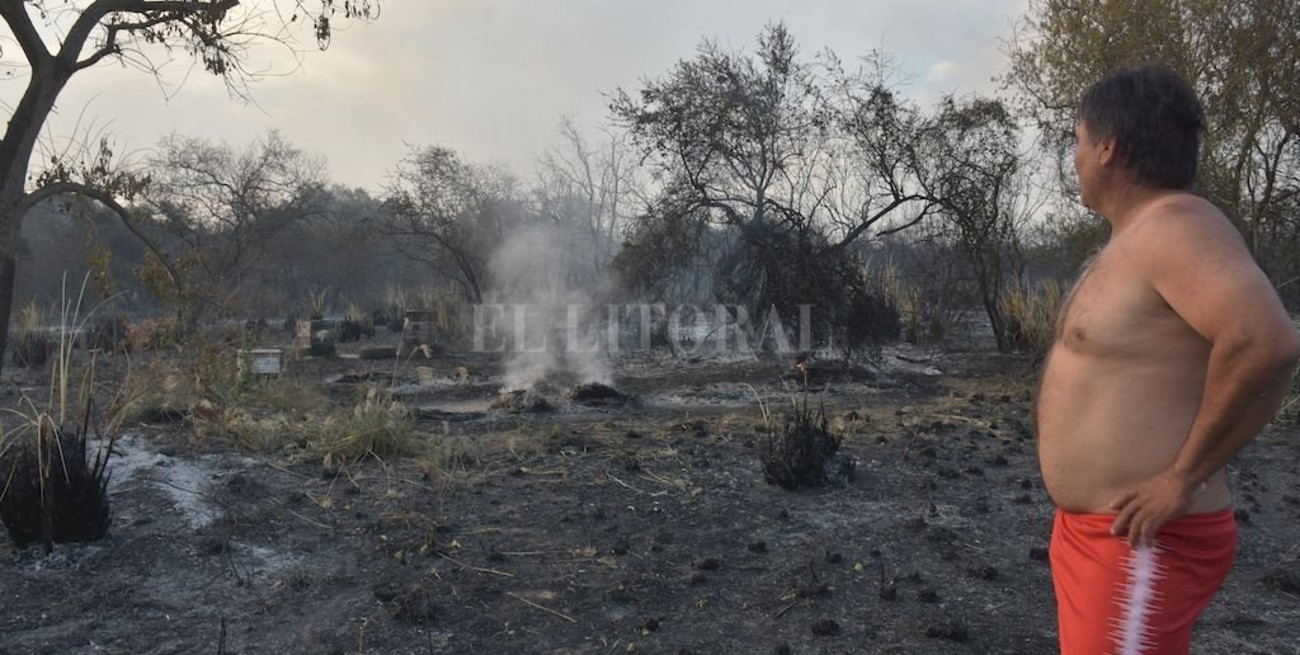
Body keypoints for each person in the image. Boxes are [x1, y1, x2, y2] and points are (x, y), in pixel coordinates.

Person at [1036, 64, 1300, 655]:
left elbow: (1267, 341)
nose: (1074, 157)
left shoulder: (1177, 228)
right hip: (1101, 537)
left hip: (1140, 537)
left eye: (1077, 140)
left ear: (1108, 147)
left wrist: (1183, 479)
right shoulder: (1138, 237)